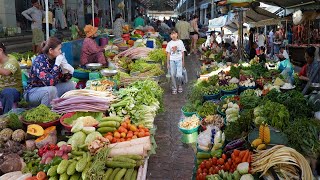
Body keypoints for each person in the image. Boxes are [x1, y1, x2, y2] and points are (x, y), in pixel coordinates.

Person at [24, 37, 75, 107]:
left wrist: (67, 72)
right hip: (33, 92)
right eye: (59, 49)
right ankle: (48, 113)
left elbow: (63, 79)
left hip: (50, 89)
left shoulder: (55, 59)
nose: (60, 52)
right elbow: (49, 82)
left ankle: (66, 109)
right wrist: (56, 65)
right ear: (51, 50)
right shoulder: (40, 61)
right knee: (51, 90)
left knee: (70, 85)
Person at [0, 43, 22, 114]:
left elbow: (6, 72)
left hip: (14, 92)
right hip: (1, 91)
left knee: (7, 92)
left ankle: (5, 118)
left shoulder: (12, 61)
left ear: (0, 50)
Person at [166, 30, 186, 95]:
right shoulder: (169, 43)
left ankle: (180, 85)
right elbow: (168, 54)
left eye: (174, 34)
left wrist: (183, 61)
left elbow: (183, 52)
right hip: (172, 61)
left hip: (179, 60)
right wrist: (168, 63)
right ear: (170, 36)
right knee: (172, 75)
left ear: (177, 34)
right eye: (171, 34)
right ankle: (174, 88)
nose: (173, 35)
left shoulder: (180, 42)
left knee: (179, 75)